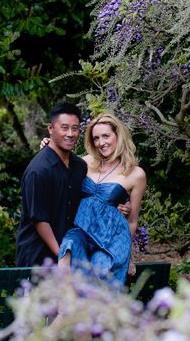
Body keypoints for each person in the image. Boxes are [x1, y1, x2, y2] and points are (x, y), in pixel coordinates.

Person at [16, 103, 131, 268]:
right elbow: (40, 220)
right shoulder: (39, 170)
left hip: (73, 255)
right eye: (64, 128)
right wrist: (62, 255)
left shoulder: (80, 166)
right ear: (51, 128)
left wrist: (120, 207)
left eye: (75, 128)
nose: (70, 134)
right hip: (39, 259)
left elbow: (93, 200)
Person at [57, 112, 146, 287]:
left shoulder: (136, 174)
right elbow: (59, 163)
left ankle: (92, 311)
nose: (101, 143)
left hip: (110, 240)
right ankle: (64, 307)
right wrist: (48, 144)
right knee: (69, 245)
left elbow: (132, 221)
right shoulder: (88, 161)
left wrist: (128, 256)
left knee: (100, 268)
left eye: (106, 136)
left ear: (118, 136)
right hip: (83, 230)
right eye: (96, 138)